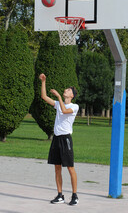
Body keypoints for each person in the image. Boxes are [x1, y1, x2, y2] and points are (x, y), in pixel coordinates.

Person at [39, 73, 79, 206]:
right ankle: (60, 195)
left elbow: (64, 110)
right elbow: (44, 96)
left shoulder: (74, 107)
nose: (65, 90)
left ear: (72, 95)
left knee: (70, 168)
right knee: (57, 168)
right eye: (65, 90)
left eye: (68, 90)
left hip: (66, 139)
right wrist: (43, 81)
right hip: (56, 139)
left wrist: (58, 97)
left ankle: (74, 195)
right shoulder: (58, 103)